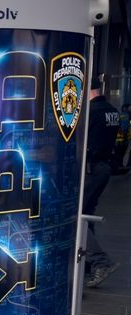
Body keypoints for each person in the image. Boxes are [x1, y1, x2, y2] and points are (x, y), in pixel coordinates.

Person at [84, 78, 120, 287]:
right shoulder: (111, 110)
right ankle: (88, 263)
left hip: (91, 168)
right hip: (104, 168)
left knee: (76, 218)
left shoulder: (91, 112)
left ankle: (100, 262)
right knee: (86, 215)